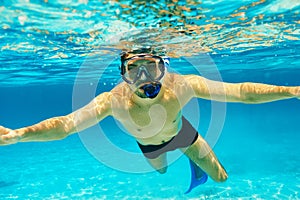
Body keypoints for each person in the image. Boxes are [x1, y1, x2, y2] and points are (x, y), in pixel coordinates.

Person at [1, 50, 300, 189]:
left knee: (222, 179)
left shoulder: (183, 86)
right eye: (134, 71)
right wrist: (18, 134)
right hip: (148, 145)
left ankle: (193, 157)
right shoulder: (111, 102)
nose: (145, 79)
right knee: (159, 173)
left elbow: (242, 93)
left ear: (165, 68)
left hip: (184, 134)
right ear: (123, 76)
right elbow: (66, 125)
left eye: (152, 69)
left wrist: (293, 90)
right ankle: (182, 158)